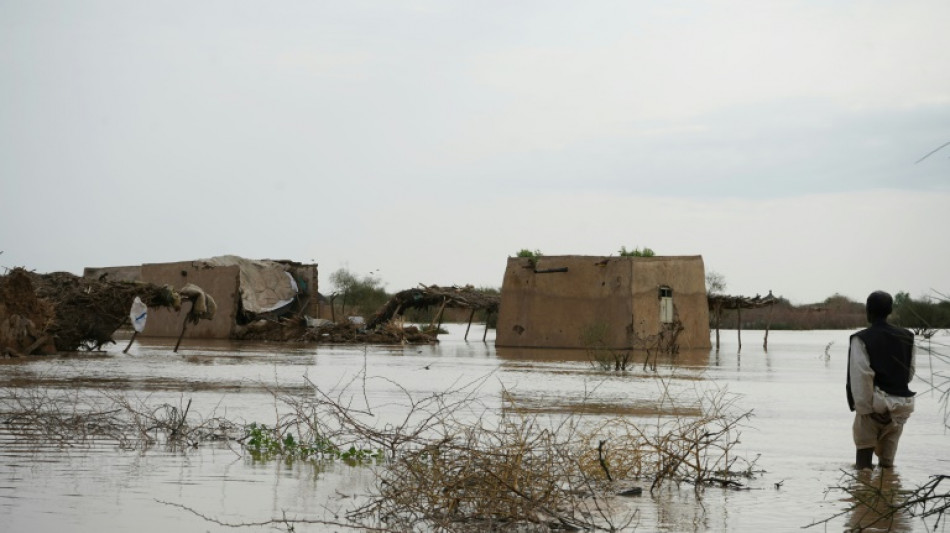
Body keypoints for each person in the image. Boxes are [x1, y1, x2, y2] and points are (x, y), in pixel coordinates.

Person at [846, 291, 916, 470]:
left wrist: (866, 409)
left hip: (872, 408)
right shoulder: (907, 336)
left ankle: (864, 493)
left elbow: (861, 376)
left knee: (863, 467)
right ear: (890, 311)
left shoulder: (861, 339)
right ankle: (886, 493)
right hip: (899, 408)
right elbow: (909, 372)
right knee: (887, 467)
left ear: (868, 311)